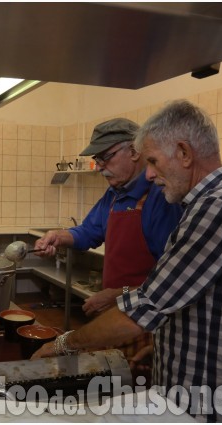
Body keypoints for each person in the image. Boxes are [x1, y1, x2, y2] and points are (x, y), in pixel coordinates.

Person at [32, 100, 222, 422]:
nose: (149, 174)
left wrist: (64, 344)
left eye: (154, 161)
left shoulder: (218, 209)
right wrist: (166, 347)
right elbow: (194, 300)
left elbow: (146, 307)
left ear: (184, 153)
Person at [35, 118, 182, 372]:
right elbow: (88, 232)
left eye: (106, 157)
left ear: (135, 151)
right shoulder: (114, 195)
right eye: (98, 160)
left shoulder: (160, 198)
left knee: (135, 388)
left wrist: (118, 293)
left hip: (144, 322)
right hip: (114, 314)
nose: (100, 167)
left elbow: (173, 282)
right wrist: (58, 236)